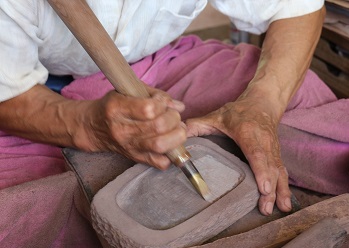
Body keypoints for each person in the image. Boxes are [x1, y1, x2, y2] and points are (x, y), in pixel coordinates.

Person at [0, 0, 325, 217]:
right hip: (36, 90)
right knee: (21, 211)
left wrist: (262, 106)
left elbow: (297, 8)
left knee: (303, 90)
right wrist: (87, 126)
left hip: (157, 66)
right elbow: (8, 91)